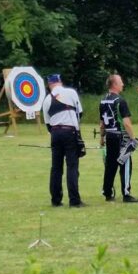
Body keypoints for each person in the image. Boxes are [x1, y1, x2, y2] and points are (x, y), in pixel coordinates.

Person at [41, 74, 84, 208]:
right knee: (72, 166)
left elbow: (48, 124)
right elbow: (79, 113)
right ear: (60, 82)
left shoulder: (46, 100)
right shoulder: (70, 92)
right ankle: (74, 200)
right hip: (69, 131)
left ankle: (56, 199)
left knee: (56, 168)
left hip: (55, 133)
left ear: (49, 85)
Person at [99, 74, 138, 203]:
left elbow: (102, 123)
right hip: (120, 136)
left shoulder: (103, 101)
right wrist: (132, 139)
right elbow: (127, 123)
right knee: (126, 162)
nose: (123, 84)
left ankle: (107, 192)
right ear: (115, 85)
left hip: (109, 135)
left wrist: (102, 137)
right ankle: (126, 193)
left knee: (110, 165)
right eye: (121, 82)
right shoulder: (120, 101)